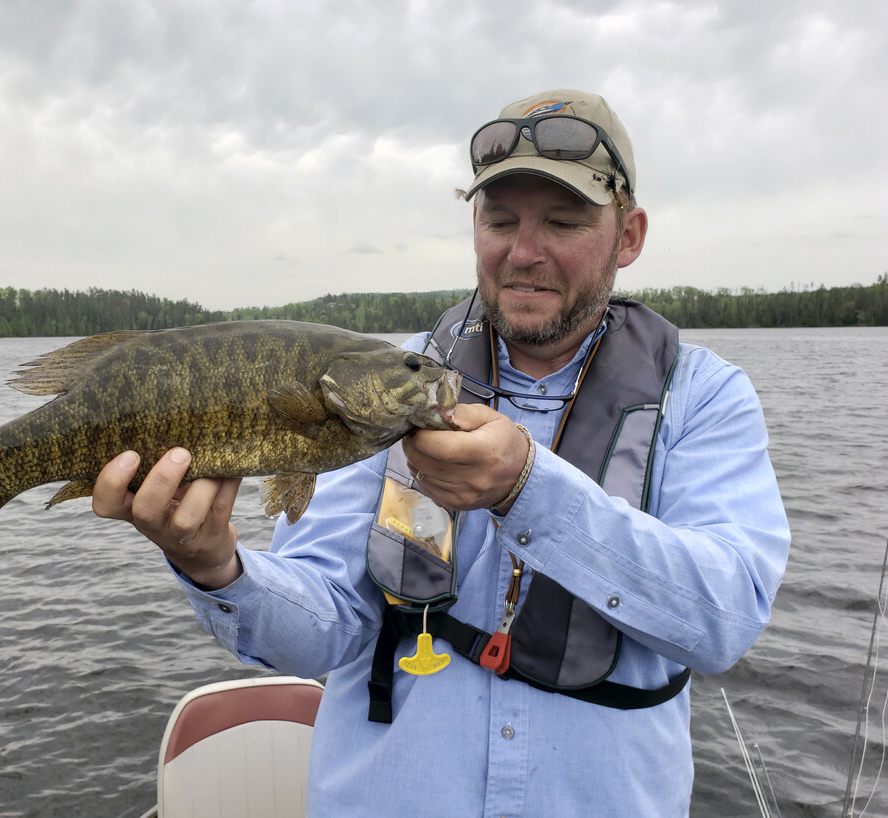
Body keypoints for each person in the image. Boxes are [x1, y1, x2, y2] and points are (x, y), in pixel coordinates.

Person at [92, 89, 790, 817]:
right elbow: (319, 628)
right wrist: (214, 566)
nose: (524, 252)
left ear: (629, 235)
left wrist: (529, 489)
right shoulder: (380, 387)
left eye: (564, 221)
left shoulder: (704, 397)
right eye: (499, 220)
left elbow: (726, 621)